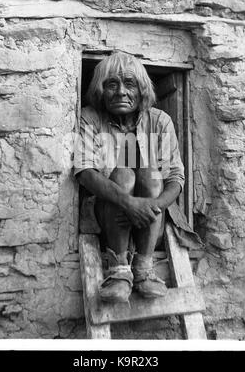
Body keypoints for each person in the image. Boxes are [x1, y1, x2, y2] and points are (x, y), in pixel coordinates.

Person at [74, 52, 186, 303]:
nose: (121, 92)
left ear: (142, 90)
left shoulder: (160, 121)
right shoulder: (91, 118)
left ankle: (144, 268)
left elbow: (176, 178)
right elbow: (85, 172)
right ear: (100, 90)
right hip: (107, 221)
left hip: (150, 222)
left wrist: (150, 206)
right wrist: (129, 203)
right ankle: (119, 270)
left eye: (129, 83)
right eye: (111, 84)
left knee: (151, 174)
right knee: (123, 174)